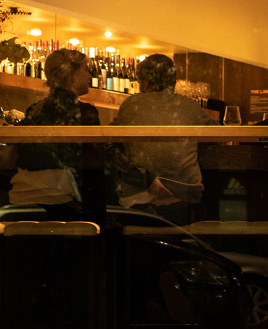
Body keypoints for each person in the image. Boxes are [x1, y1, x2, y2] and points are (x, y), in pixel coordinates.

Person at [110, 53, 216, 225]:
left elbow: (108, 139)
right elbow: (219, 135)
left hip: (140, 201)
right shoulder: (190, 105)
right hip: (184, 197)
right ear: (173, 82)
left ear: (145, 82)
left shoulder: (131, 104)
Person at [11, 48, 103, 222]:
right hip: (66, 203)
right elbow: (91, 167)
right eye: (85, 69)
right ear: (71, 74)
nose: (90, 75)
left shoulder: (34, 110)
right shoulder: (84, 113)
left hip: (24, 199)